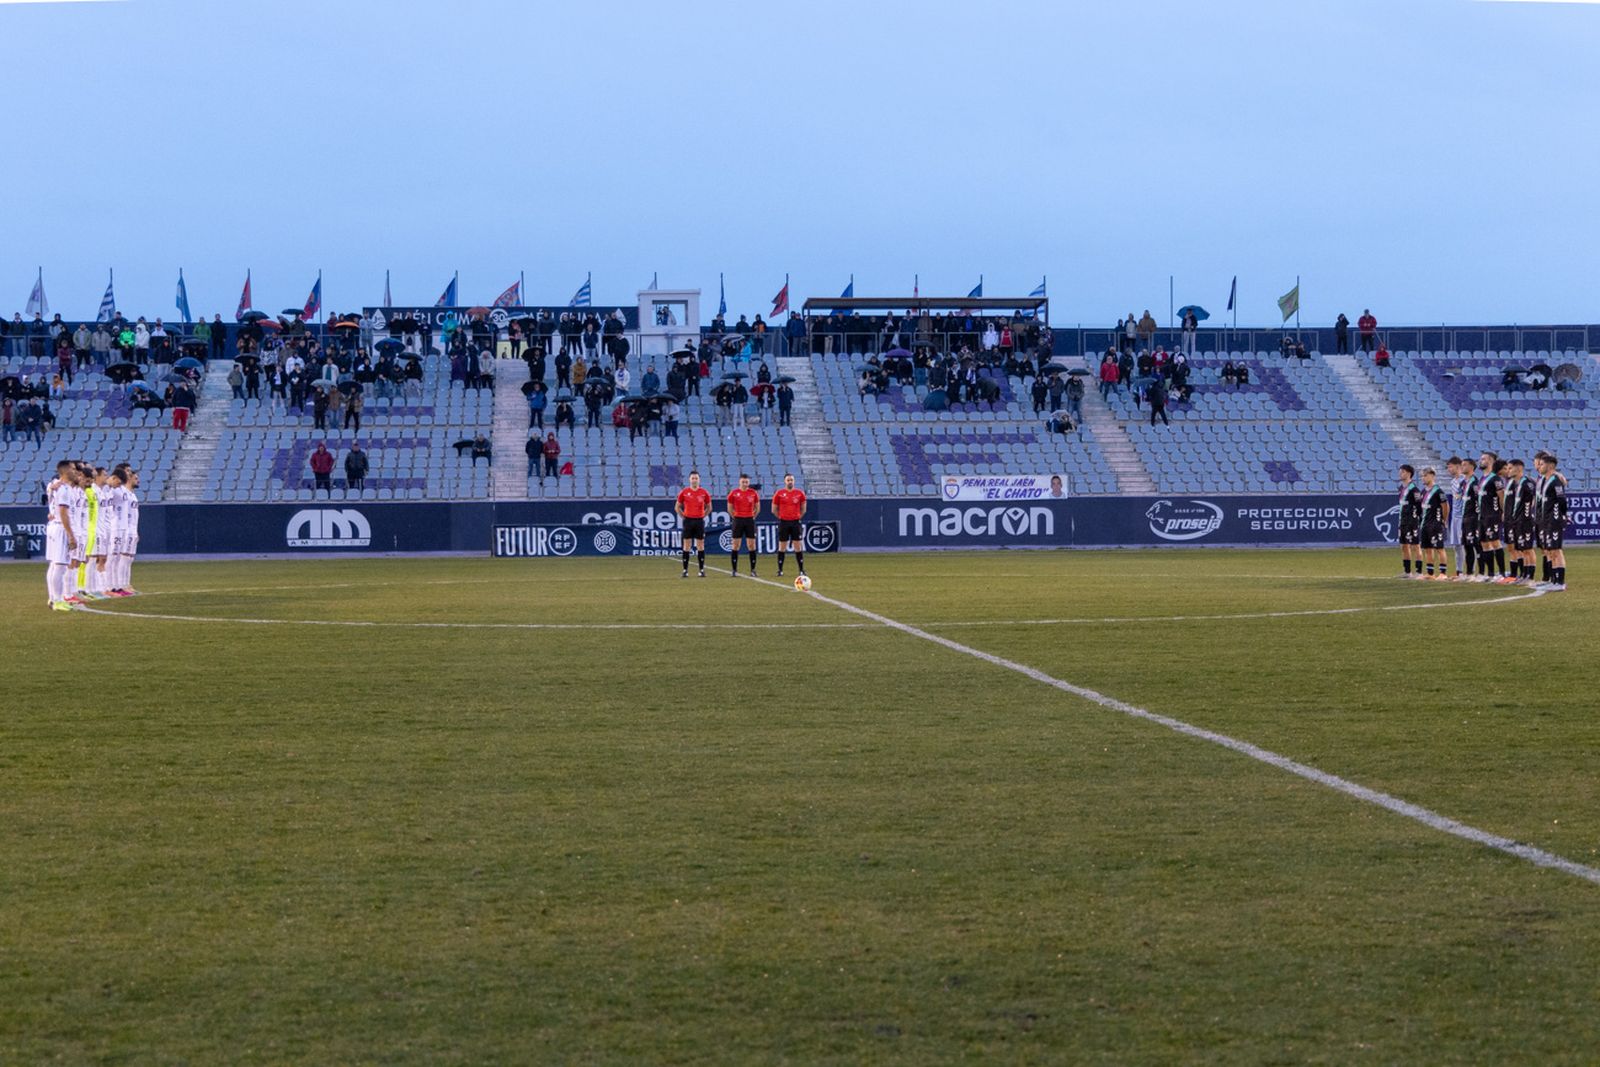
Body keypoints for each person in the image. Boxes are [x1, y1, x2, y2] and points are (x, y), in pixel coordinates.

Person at [44, 461, 82, 610]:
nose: (76, 471)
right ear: (65, 472)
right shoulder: (64, 489)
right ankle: (58, 600)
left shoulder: (56, 487)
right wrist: (71, 535)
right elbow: (64, 512)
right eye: (73, 469)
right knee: (60, 566)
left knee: (54, 565)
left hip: (54, 526)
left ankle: (53, 598)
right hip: (61, 528)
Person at [1534, 452, 1568, 590]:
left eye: (1541, 464)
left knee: (1556, 550)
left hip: (1553, 520)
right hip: (1545, 520)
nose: (1539, 467)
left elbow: (1562, 501)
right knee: (1549, 551)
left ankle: (1560, 582)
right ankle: (1553, 581)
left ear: (1550, 466)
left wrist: (1561, 516)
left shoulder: (1555, 481)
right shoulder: (1543, 480)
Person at [1500, 458, 1537, 585]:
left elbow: (1535, 497)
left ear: (1519, 469)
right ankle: (1523, 574)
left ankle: (1530, 576)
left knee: (1528, 549)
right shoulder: (1511, 483)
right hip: (1514, 521)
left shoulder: (1527, 483)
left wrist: (1528, 511)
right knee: (1520, 549)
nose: (1508, 471)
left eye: (1510, 468)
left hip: (1524, 521)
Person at [1475, 452, 1507, 581]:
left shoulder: (1495, 479)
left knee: (1495, 542)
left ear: (1491, 461)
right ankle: (1491, 573)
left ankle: (1502, 573)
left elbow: (1501, 496)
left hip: (1492, 515)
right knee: (1484, 543)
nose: (1480, 461)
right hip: (1482, 516)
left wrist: (1503, 511)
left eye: (1483, 459)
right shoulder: (1482, 478)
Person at [675, 470, 712, 577]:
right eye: (693, 478)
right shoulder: (684, 492)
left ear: (699, 480)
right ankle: (685, 570)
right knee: (687, 545)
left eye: (696, 478)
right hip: (688, 521)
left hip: (699, 521)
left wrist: (702, 515)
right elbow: (677, 507)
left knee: (700, 545)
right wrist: (684, 517)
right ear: (689, 480)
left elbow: (709, 507)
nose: (694, 480)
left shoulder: (704, 492)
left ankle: (701, 570)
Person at [1417, 467, 1451, 579]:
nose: (1423, 478)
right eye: (1422, 476)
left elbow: (1445, 506)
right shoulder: (1423, 492)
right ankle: (1430, 573)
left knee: (1439, 548)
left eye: (1425, 475)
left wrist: (1443, 520)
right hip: (1425, 524)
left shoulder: (1438, 491)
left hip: (1435, 524)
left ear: (1432, 475)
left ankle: (1443, 573)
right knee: (1427, 549)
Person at [772, 473, 807, 578]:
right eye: (788, 480)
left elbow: (804, 509)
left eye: (791, 480)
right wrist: (781, 517)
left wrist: (798, 516)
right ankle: (780, 570)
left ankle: (801, 570)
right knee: (782, 546)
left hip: (795, 522)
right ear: (784, 481)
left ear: (794, 481)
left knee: (798, 546)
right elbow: (773, 509)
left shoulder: (800, 493)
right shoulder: (779, 493)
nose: (790, 482)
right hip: (784, 522)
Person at [725, 473, 761, 577]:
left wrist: (753, 516)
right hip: (738, 520)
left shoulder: (753, 493)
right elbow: (729, 508)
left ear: (748, 482)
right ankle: (734, 570)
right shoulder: (734, 493)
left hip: (749, 520)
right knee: (736, 545)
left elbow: (757, 507)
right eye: (743, 482)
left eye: (746, 482)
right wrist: (735, 517)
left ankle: (753, 570)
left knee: (751, 545)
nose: (745, 483)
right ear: (739, 482)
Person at [1396, 464, 1423, 577]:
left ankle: (1418, 572)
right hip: (1402, 521)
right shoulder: (1401, 488)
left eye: (1402, 472)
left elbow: (1419, 505)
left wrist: (1416, 519)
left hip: (1412, 521)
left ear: (1408, 473)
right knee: (1404, 546)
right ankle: (1407, 572)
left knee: (1415, 546)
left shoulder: (1414, 489)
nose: (1400, 473)